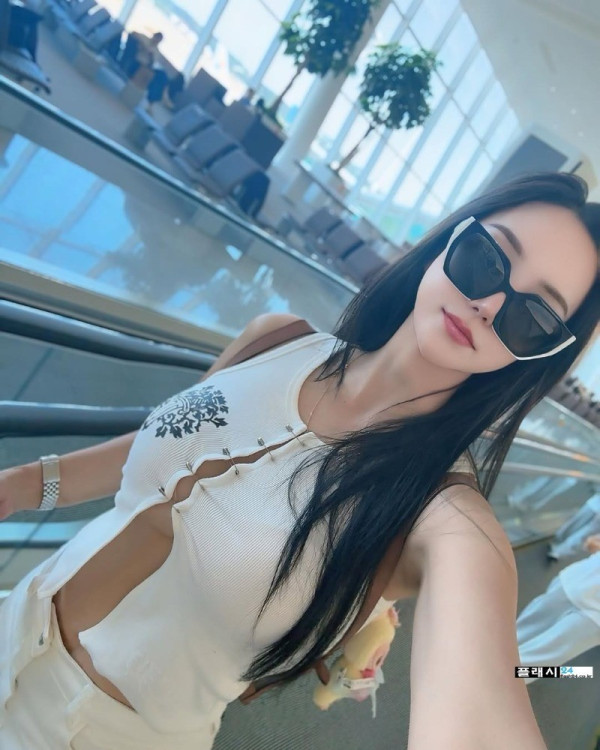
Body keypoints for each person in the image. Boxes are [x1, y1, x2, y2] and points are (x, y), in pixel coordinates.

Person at [0, 171, 599, 749]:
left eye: (533, 317)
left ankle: (561, 673)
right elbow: (162, 452)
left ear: (540, 354)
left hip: (96, 734)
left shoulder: (442, 515)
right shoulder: (278, 339)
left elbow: (479, 713)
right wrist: (24, 486)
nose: (489, 304)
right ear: (451, 239)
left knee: (541, 660)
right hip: (21, 616)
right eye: (488, 260)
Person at [517, 536, 600, 684]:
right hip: (578, 582)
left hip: (585, 598)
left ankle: (486, 687)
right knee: (517, 640)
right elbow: (592, 542)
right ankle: (483, 681)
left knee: (532, 662)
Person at [547, 492, 600, 560]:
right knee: (576, 525)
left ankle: (559, 552)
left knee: (585, 533)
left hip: (595, 505)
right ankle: (558, 544)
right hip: (595, 504)